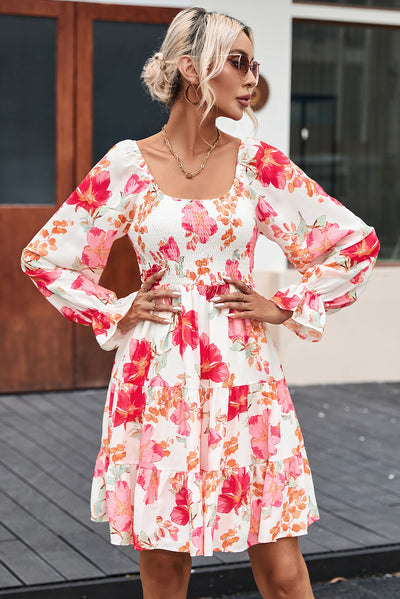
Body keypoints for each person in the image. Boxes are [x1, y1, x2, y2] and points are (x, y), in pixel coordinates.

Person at [21, 7, 380, 599]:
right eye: (237, 62)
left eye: (253, 64)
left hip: (244, 375)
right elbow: (47, 256)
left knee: (281, 563)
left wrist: (285, 303)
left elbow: (354, 243)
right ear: (192, 68)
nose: (250, 79)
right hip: (156, 379)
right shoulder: (125, 166)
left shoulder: (258, 166)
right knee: (165, 567)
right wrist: (115, 308)